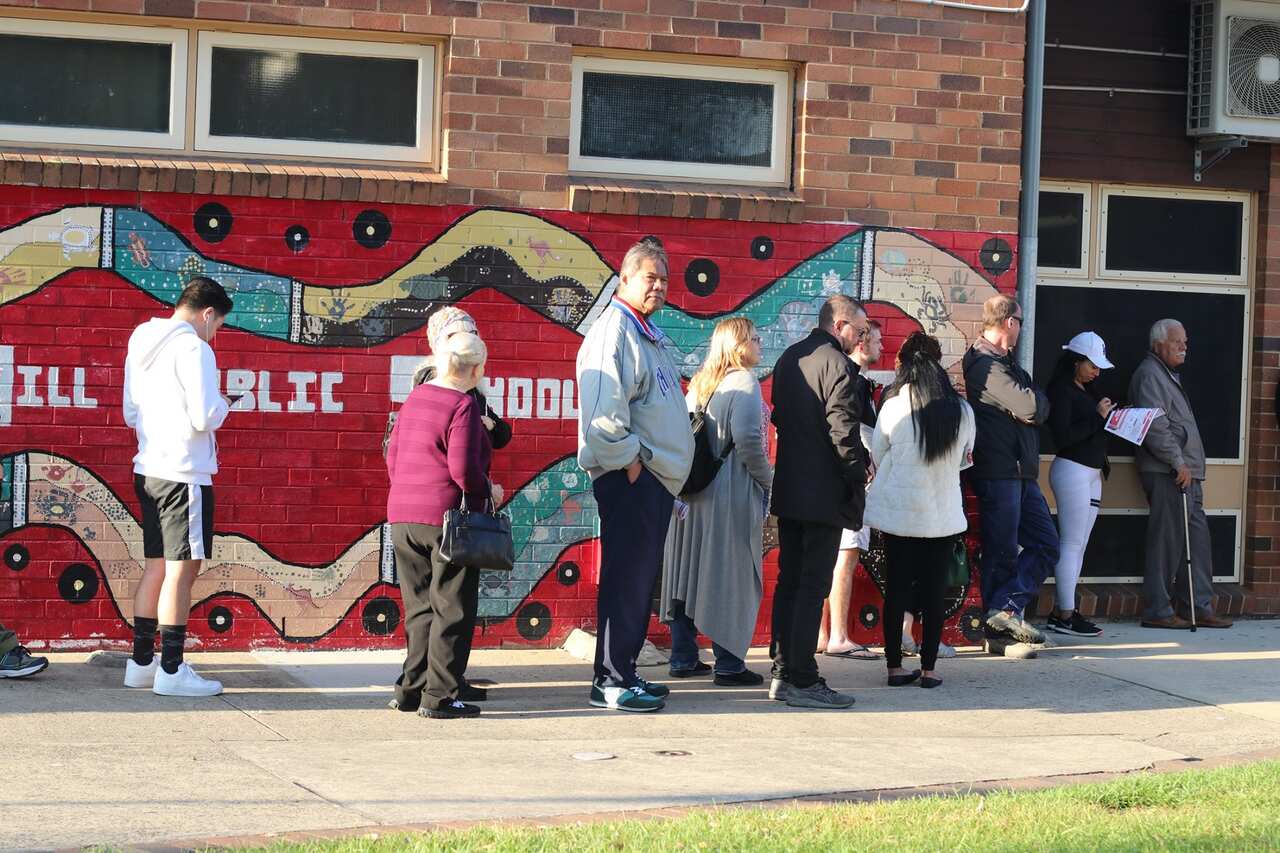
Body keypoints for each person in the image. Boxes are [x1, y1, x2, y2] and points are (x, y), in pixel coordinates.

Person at [576, 237, 694, 713]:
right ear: (624, 279)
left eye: (665, 279)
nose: (660, 287)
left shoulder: (645, 332)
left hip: (651, 480)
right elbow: (604, 414)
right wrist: (633, 465)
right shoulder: (614, 332)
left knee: (639, 580)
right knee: (626, 578)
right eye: (650, 277)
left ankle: (624, 669)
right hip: (632, 479)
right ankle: (610, 681)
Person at [122, 276, 234, 697]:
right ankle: (171, 670)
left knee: (156, 564)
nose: (215, 334)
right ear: (208, 314)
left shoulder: (142, 338)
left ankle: (142, 664)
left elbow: (131, 411)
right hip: (184, 473)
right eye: (218, 325)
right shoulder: (194, 347)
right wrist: (225, 403)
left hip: (149, 466)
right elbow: (205, 415)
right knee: (182, 571)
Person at [386, 331, 502, 719]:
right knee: (453, 606)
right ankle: (441, 697)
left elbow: (392, 455)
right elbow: (463, 469)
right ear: (476, 368)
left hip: (402, 514)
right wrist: (489, 490)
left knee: (418, 606)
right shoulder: (463, 404)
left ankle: (410, 689)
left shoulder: (415, 398)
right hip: (446, 519)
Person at [769, 294, 869, 709]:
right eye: (860, 331)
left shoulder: (789, 359)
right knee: (812, 585)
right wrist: (857, 474)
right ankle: (802, 678)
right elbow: (843, 433)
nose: (861, 338)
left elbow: (780, 420)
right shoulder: (839, 366)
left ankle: (782, 669)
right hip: (823, 492)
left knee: (790, 581)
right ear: (840, 325)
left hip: (791, 488)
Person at [661, 317, 773, 686]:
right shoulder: (744, 381)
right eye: (754, 339)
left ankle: (682, 657)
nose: (760, 344)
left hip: (693, 492)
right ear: (738, 345)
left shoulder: (700, 384)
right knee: (730, 575)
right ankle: (728, 664)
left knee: (687, 573)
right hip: (729, 492)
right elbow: (748, 441)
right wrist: (768, 480)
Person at [865, 332, 975, 689]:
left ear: (905, 364)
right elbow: (965, 460)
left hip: (900, 513)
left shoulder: (895, 404)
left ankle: (894, 668)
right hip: (941, 514)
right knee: (934, 592)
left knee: (896, 589)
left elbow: (879, 455)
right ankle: (929, 670)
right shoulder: (960, 409)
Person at [963, 294, 1057, 647]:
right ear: (1010, 323)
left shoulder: (1008, 364)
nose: (1022, 330)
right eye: (1020, 322)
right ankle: (997, 633)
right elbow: (1032, 406)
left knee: (1047, 544)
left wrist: (1032, 404)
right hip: (999, 471)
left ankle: (1006, 609)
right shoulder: (984, 365)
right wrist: (1030, 405)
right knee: (1001, 551)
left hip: (1020, 473)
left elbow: (1035, 406)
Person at [1129, 319, 1233, 629]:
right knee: (1167, 541)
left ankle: (1198, 605)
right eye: (1178, 342)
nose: (1184, 347)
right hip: (1170, 472)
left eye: (1185, 341)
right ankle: (1158, 610)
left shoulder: (1166, 374)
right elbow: (1155, 427)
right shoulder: (1150, 375)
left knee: (1196, 541)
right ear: (1159, 344)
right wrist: (1178, 462)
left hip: (1186, 472)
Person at [817, 320, 881, 661]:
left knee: (834, 556)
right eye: (878, 340)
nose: (883, 348)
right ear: (862, 341)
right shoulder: (852, 381)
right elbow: (847, 430)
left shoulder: (855, 381)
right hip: (851, 482)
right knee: (846, 554)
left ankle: (824, 631)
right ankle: (839, 635)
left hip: (837, 482)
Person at [1045, 332, 1116, 637]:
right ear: (1075, 362)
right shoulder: (1061, 390)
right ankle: (1065, 613)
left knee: (1079, 545)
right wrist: (1099, 418)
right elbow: (1063, 437)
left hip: (1090, 471)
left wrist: (1109, 418)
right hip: (1072, 469)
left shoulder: (1085, 390)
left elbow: (1088, 430)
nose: (1096, 371)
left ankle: (1064, 609)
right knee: (1071, 544)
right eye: (1092, 365)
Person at [382, 307, 511, 456]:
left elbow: (503, 436)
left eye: (472, 334)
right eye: (454, 336)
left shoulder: (471, 386)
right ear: (439, 344)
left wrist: (491, 424)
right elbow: (452, 448)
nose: (467, 341)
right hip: (446, 474)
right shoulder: (434, 380)